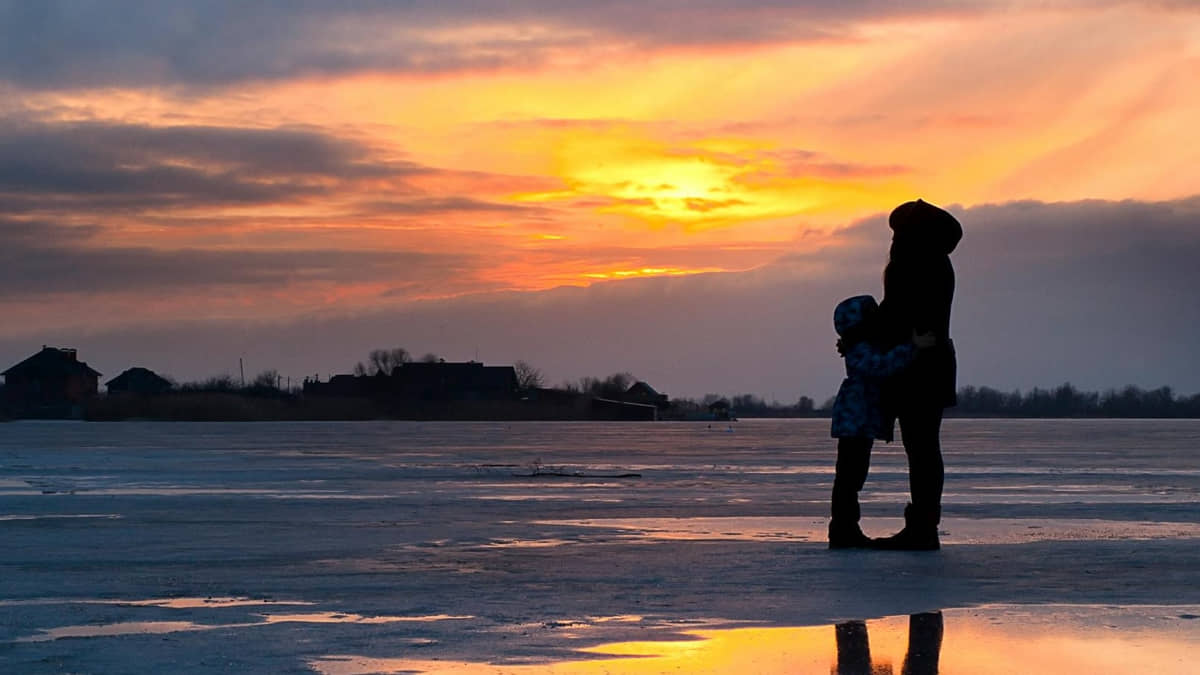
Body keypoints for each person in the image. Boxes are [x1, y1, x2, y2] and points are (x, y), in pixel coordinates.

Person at [871, 199, 962, 551]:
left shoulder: (916, 264)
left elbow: (898, 313)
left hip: (919, 366)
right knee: (923, 447)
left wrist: (865, 333)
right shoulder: (936, 262)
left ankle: (923, 527)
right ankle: (923, 524)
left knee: (921, 447)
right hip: (931, 362)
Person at [828, 295, 935, 549]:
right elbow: (881, 366)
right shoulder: (860, 349)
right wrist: (913, 346)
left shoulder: (861, 345)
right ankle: (843, 529)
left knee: (852, 476)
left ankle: (846, 527)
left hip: (859, 422)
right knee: (849, 477)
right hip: (855, 422)